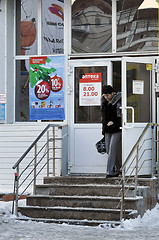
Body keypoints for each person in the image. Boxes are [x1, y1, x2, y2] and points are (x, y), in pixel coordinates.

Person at [101, 85, 122, 178]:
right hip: (107, 129)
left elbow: (121, 115)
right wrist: (104, 128)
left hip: (117, 128)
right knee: (109, 150)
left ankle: (109, 171)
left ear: (112, 93)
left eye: (108, 95)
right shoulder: (103, 102)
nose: (106, 98)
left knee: (112, 148)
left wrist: (113, 122)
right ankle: (119, 168)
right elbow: (103, 117)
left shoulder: (119, 100)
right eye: (105, 96)